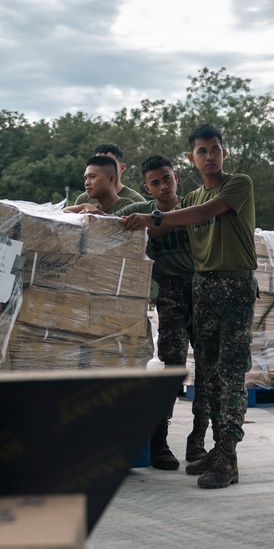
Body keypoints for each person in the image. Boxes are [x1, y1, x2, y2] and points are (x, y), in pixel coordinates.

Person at [121, 124, 257, 490]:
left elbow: (199, 214)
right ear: (191, 157)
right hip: (203, 287)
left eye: (215, 149)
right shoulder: (190, 195)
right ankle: (211, 447)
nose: (210, 156)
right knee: (208, 373)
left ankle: (227, 453)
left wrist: (156, 219)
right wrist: (105, 214)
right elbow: (158, 222)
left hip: (234, 284)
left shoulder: (237, 184)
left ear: (223, 153)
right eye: (202, 151)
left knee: (229, 374)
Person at [118, 155, 208, 470]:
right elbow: (110, 216)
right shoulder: (140, 212)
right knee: (171, 369)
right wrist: (84, 208)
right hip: (170, 293)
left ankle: (198, 442)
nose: (163, 186)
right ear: (147, 187)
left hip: (202, 290)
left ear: (176, 177)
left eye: (167, 179)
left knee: (209, 369)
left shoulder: (194, 208)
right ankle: (159, 443)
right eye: (155, 182)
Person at [72, 143, 146, 206]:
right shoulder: (83, 199)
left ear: (122, 168)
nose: (101, 166)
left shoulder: (136, 201)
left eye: (108, 162)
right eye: (98, 162)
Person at [64, 156, 129, 215]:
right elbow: (61, 213)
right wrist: (84, 206)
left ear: (111, 179)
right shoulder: (93, 209)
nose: (86, 183)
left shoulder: (127, 207)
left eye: (92, 176)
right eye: (85, 178)